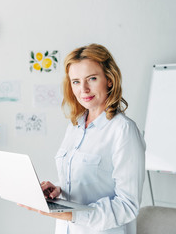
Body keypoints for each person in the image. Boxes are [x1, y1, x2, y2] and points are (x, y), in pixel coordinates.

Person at [19, 43, 145, 234]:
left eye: (92, 79)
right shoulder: (75, 126)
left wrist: (72, 215)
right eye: (76, 81)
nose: (83, 89)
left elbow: (127, 205)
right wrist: (59, 190)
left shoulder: (123, 130)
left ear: (109, 80)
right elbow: (94, 181)